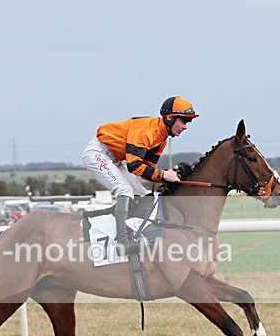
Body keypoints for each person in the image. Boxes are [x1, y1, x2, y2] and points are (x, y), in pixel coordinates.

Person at [82, 96, 198, 254]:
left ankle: (134, 234)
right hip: (98, 153)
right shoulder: (147, 131)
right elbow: (134, 165)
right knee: (125, 191)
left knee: (142, 194)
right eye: (184, 121)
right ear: (170, 118)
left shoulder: (161, 139)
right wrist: (164, 175)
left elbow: (147, 169)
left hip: (117, 159)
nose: (185, 127)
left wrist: (170, 175)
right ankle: (122, 242)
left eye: (188, 122)